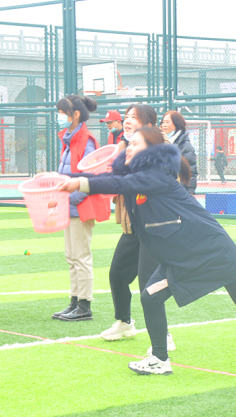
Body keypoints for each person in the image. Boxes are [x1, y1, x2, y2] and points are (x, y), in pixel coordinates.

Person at [58, 127, 236, 376]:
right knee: (150, 297)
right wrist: (68, 182)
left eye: (135, 143)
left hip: (214, 251)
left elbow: (118, 182)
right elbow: (114, 177)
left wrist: (80, 183)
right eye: (129, 143)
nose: (128, 146)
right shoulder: (136, 174)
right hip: (182, 258)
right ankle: (160, 359)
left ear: (152, 150)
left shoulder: (156, 175)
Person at [99, 104, 165, 348]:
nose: (127, 121)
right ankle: (125, 322)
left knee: (148, 282)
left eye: (133, 117)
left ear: (148, 124)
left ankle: (163, 336)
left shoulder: (158, 149)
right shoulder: (124, 146)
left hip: (154, 226)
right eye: (126, 117)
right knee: (117, 274)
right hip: (133, 225)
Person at [51, 95, 111, 322]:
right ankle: (75, 301)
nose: (59, 116)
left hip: (80, 207)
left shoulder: (86, 140)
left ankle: (84, 305)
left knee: (81, 256)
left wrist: (70, 199)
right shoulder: (70, 139)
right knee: (72, 256)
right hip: (70, 206)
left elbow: (90, 177)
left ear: (75, 115)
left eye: (62, 112)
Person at [161, 110, 198, 194]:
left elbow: (191, 171)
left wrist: (190, 192)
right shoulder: (158, 141)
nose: (164, 125)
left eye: (167, 122)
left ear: (177, 124)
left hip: (177, 191)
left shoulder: (185, 146)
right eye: (163, 122)